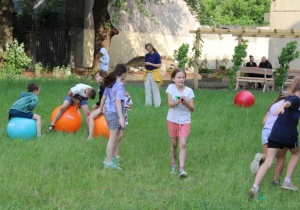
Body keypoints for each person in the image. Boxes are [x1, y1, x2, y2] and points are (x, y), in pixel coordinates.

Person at [248, 77, 300, 202]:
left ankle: (254, 188)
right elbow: (288, 103)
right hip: (288, 133)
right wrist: (282, 106)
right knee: (297, 153)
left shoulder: (291, 98)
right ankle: (287, 181)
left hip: (275, 133)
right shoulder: (296, 99)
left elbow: (288, 103)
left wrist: (282, 107)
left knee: (268, 162)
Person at [250, 91, 288, 185]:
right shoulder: (287, 106)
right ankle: (276, 181)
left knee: (268, 156)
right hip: (278, 131)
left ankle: (260, 158)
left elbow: (264, 122)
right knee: (280, 157)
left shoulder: (273, 105)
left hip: (266, 130)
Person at [97, 64, 128, 170]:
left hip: (109, 112)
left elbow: (103, 98)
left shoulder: (111, 84)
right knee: (112, 138)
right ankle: (109, 162)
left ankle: (110, 157)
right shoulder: (119, 86)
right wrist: (121, 117)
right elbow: (118, 102)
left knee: (119, 135)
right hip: (114, 113)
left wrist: (101, 109)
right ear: (124, 74)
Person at [167, 68, 195, 178]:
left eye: (183, 77)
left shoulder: (189, 91)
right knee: (174, 143)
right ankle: (174, 164)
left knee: (183, 143)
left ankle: (181, 169)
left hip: (185, 120)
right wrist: (177, 101)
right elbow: (169, 104)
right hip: (172, 119)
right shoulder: (171, 88)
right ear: (173, 79)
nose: (181, 79)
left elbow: (192, 108)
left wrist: (185, 103)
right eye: (179, 77)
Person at [143, 43, 162, 108]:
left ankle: (157, 104)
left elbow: (159, 65)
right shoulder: (146, 55)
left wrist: (151, 64)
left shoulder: (156, 55)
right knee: (147, 89)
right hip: (147, 72)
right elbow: (146, 64)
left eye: (148, 49)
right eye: (147, 49)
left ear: (152, 48)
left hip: (154, 73)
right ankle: (148, 103)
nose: (148, 50)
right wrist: (145, 64)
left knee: (155, 89)